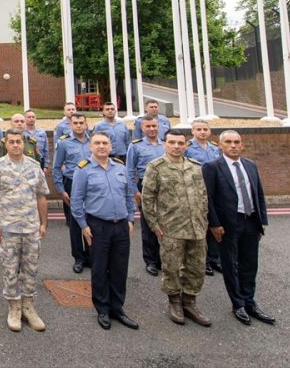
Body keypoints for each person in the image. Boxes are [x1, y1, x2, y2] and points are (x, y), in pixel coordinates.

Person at [140, 129, 212, 327]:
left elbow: (203, 196)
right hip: (171, 227)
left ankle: (190, 302)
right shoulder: (156, 167)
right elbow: (147, 199)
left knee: (196, 267)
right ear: (165, 144)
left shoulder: (195, 167)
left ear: (186, 145)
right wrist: (154, 225)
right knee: (171, 267)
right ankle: (174, 302)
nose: (176, 147)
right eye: (172, 142)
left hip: (196, 227)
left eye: (181, 143)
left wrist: (203, 220)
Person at [203, 130, 275, 326]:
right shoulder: (212, 167)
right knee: (230, 264)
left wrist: (261, 222)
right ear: (220, 145)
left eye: (237, 142)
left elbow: (258, 194)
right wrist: (214, 224)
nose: (233, 145)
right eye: (228, 142)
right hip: (227, 224)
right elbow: (208, 198)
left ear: (242, 145)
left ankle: (250, 301)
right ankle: (238, 304)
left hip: (250, 221)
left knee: (250, 264)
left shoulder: (250, 165)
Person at [70, 132, 139, 331]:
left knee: (119, 268)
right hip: (98, 225)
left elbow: (128, 195)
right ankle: (102, 309)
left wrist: (130, 218)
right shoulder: (83, 169)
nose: (102, 146)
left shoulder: (120, 167)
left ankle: (118, 308)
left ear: (110, 147)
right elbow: (76, 201)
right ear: (90, 147)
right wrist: (84, 225)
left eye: (105, 143)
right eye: (97, 143)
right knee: (99, 269)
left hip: (121, 226)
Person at [0, 129, 49, 333]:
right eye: (11, 141)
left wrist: (44, 223)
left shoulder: (34, 165)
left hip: (31, 227)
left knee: (31, 268)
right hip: (8, 227)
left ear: (24, 143)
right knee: (10, 269)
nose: (15, 145)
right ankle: (14, 307)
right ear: (6, 144)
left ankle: (29, 306)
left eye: (18, 141)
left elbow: (41, 196)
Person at [52, 113, 92, 273]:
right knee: (75, 222)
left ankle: (91, 256)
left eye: (81, 122)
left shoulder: (93, 142)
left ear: (86, 124)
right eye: (75, 123)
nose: (79, 126)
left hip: (92, 184)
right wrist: (61, 190)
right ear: (71, 125)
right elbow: (56, 167)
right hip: (72, 183)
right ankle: (79, 258)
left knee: (91, 220)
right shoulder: (64, 143)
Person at [127, 116, 166, 276]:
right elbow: (129, 171)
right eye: (148, 126)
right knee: (149, 224)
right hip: (145, 185)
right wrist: (135, 191)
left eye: (154, 126)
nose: (152, 129)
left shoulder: (166, 144)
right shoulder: (135, 146)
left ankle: (164, 258)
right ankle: (151, 261)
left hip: (166, 185)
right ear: (142, 128)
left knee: (166, 223)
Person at [186, 119, 223, 275]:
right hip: (196, 190)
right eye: (199, 129)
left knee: (215, 224)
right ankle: (204, 261)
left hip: (214, 190)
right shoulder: (187, 148)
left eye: (205, 129)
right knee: (201, 226)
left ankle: (215, 259)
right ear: (193, 131)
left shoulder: (215, 148)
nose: (202, 132)